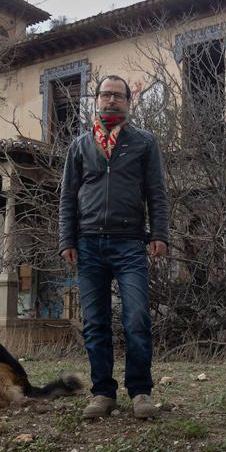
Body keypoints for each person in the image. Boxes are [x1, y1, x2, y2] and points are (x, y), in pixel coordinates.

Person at [58, 75, 170, 420]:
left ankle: (140, 392)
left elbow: (157, 192)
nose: (111, 100)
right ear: (96, 100)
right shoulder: (80, 145)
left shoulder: (143, 142)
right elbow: (66, 197)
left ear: (127, 102)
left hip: (130, 243)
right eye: (105, 95)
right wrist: (67, 239)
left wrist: (159, 234)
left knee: (137, 317)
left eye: (117, 96)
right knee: (95, 322)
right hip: (89, 244)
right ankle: (103, 393)